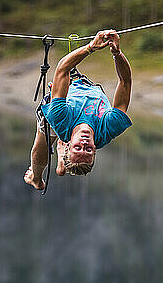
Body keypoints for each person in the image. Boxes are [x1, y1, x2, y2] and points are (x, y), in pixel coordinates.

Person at [24, 29, 133, 190]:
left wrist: (91, 47)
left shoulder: (59, 117)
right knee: (63, 86)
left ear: (69, 144)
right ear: (95, 149)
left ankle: (36, 179)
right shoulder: (110, 127)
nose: (84, 143)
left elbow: (62, 69)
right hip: (84, 88)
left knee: (41, 145)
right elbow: (125, 82)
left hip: (63, 114)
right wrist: (117, 53)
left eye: (78, 147)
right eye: (88, 149)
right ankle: (62, 159)